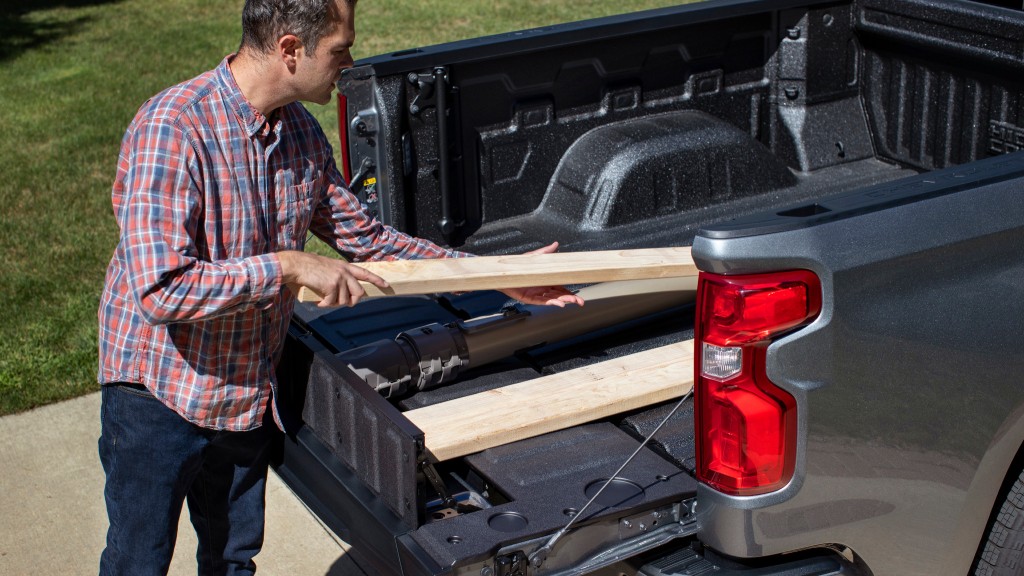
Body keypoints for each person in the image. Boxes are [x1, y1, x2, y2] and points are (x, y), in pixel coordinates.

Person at [96, 0, 583, 573]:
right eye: (340, 49)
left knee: (231, 559)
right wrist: (290, 266)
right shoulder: (173, 128)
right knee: (137, 561)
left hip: (242, 395)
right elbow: (160, 290)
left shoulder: (298, 132)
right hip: (159, 394)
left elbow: (372, 242)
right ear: (289, 49)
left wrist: (500, 280)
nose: (349, 64)